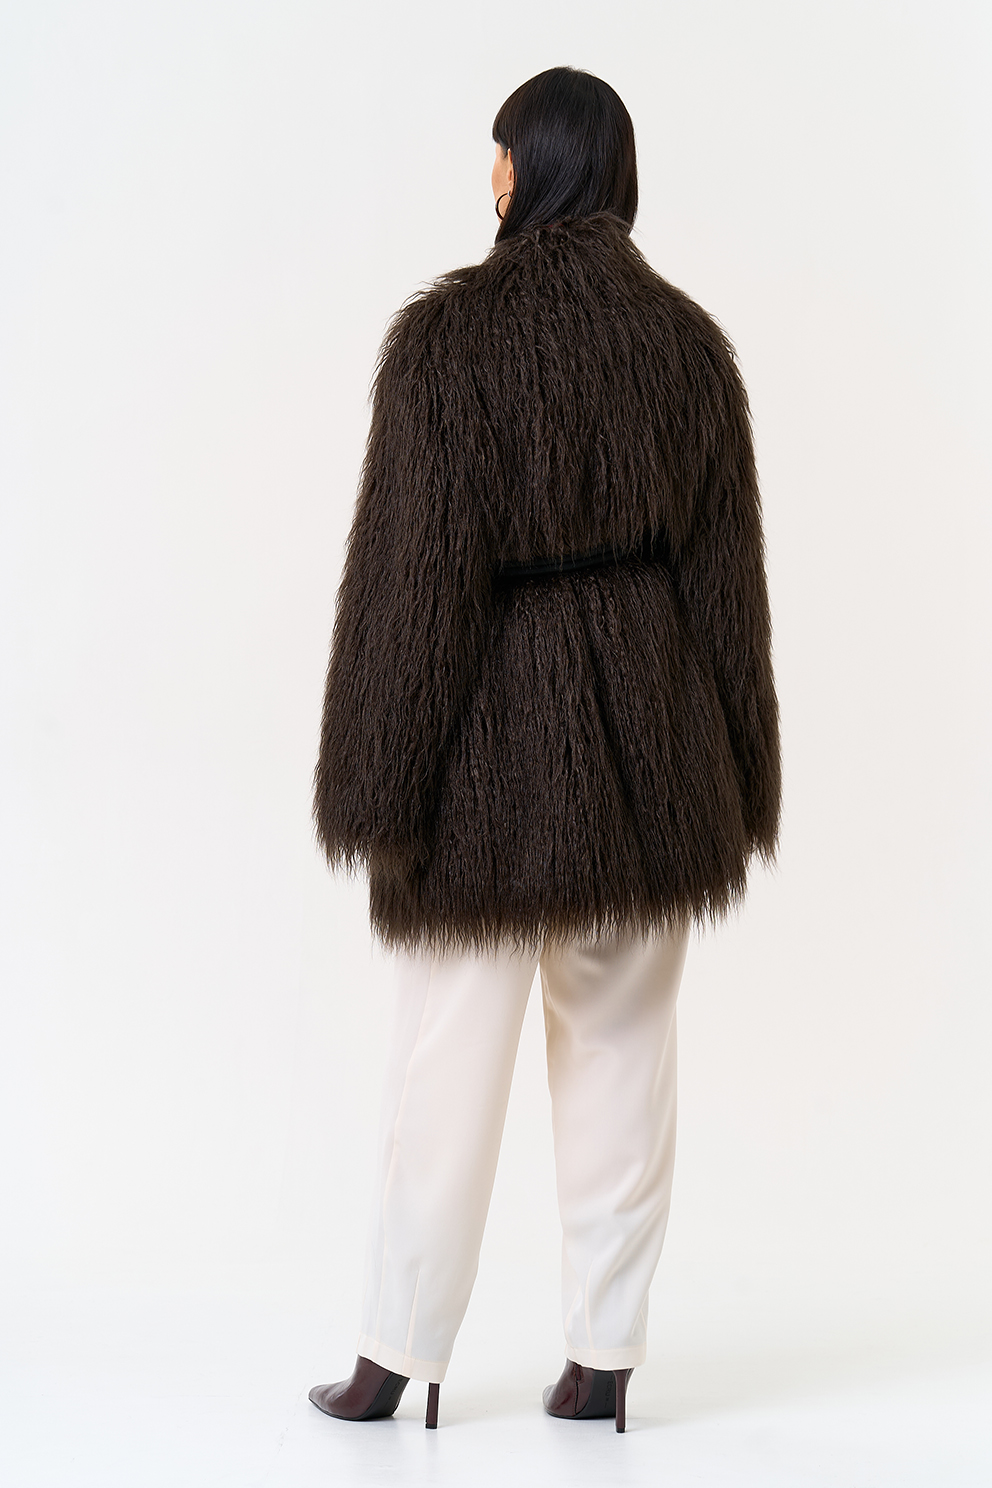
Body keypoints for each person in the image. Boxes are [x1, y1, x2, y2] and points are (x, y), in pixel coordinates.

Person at [308, 66, 782, 1433]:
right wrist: (741, 773)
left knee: (442, 1065)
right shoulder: (689, 349)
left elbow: (409, 595)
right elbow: (728, 593)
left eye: (500, 156)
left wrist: (377, 791)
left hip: (484, 767)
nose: (492, 177)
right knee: (626, 1054)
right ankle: (604, 1363)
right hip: (656, 756)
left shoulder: (447, 346)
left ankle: (395, 1359)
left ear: (528, 169)